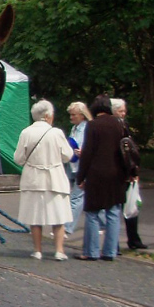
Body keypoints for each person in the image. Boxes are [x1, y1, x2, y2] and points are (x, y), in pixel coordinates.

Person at [14, 100, 74, 261]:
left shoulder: (26, 132)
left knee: (35, 218)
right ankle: (59, 250)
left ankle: (37, 250)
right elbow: (68, 156)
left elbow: (18, 159)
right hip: (55, 179)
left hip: (33, 179)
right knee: (58, 217)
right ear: (47, 116)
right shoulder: (57, 133)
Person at [75, 95, 128, 261]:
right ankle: (110, 251)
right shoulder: (119, 125)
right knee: (113, 212)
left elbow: (88, 153)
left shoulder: (93, 126)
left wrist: (81, 176)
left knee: (92, 212)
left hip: (96, 173)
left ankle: (91, 251)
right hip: (117, 173)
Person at [112, 98, 146, 250]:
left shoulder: (119, 126)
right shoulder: (119, 127)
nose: (124, 114)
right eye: (121, 111)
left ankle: (125, 241)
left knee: (125, 208)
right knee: (123, 208)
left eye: (124, 111)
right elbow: (129, 152)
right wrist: (133, 171)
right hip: (122, 173)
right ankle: (132, 240)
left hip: (121, 173)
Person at [64, 101, 91, 236]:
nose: (71, 117)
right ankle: (103, 223)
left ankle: (67, 227)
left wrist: (83, 151)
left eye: (74, 115)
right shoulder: (74, 128)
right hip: (74, 166)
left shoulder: (87, 128)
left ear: (82, 115)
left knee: (76, 197)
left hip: (82, 166)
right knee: (83, 196)